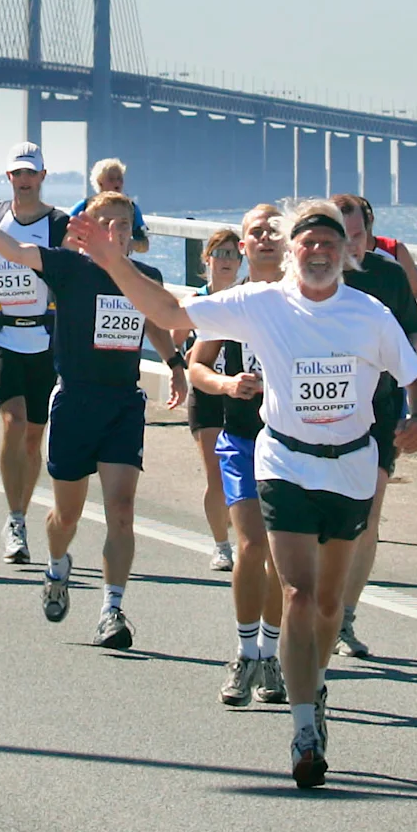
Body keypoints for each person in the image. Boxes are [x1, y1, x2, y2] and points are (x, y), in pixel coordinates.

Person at [84, 196, 417, 789]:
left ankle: (312, 686)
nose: (318, 252)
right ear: (292, 253)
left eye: (329, 244)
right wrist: (117, 262)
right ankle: (302, 728)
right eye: (308, 244)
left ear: (347, 253)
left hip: (349, 469)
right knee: (296, 592)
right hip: (286, 462)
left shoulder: (369, 314)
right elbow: (170, 308)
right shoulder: (262, 303)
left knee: (326, 604)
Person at [0, 187, 168, 650]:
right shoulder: (69, 269)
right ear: (86, 233)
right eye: (106, 224)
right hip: (76, 402)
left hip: (123, 403)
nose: (116, 233)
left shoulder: (146, 275)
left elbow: (156, 320)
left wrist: (177, 364)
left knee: (121, 511)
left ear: (132, 232)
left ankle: (112, 610)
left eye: (123, 225)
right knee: (66, 515)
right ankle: (57, 565)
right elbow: (17, 250)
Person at [189, 212, 289, 705]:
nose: (267, 239)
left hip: (295, 446)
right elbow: (197, 366)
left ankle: (270, 653)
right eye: (257, 232)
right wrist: (228, 384)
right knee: (251, 547)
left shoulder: (307, 299)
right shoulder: (230, 304)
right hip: (243, 439)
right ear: (243, 246)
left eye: (277, 231)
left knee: (280, 559)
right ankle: (245, 652)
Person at [331, 193, 417, 662]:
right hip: (320, 413)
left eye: (357, 235)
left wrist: (399, 361)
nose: (350, 245)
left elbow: (416, 333)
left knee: (368, 515)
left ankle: (344, 618)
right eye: (340, 234)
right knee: (322, 519)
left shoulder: (388, 276)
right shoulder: (309, 272)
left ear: (368, 232)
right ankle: (309, 611)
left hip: (380, 408)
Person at [0, 142, 64, 565]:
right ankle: (15, 521)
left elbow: (71, 270)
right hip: (0, 333)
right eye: (16, 174)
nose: (23, 181)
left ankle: (21, 511)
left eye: (30, 174)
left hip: (44, 338)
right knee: (14, 420)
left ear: (42, 177)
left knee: (33, 436)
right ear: (8, 178)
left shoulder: (58, 224)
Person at [186, 226, 243, 576]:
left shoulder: (246, 301)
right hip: (206, 394)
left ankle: (243, 528)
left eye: (232, 255)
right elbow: (172, 338)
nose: (226, 261)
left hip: (240, 394)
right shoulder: (196, 301)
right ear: (207, 260)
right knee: (216, 475)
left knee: (243, 473)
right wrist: (183, 361)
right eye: (219, 254)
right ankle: (221, 546)